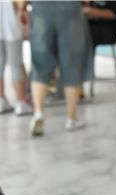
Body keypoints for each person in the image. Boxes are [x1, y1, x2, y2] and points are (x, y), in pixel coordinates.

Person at [23, 1, 90, 135]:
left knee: (40, 63)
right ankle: (72, 118)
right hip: (69, 8)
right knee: (72, 63)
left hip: (41, 8)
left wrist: (22, 7)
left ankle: (38, 114)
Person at [0, 0, 33, 116]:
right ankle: (21, 103)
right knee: (16, 64)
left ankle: (1, 101)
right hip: (11, 23)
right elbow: (21, 3)